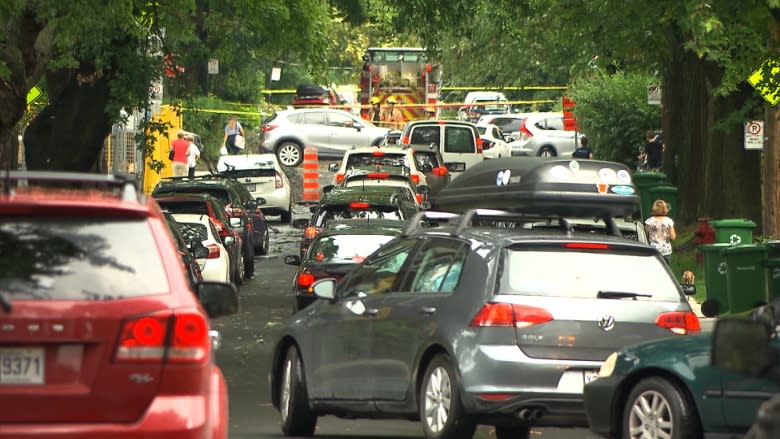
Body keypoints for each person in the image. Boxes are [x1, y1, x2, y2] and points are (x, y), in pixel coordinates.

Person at [645, 199, 676, 264]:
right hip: (666, 251)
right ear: (665, 209)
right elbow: (673, 237)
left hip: (653, 250)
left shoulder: (649, 221)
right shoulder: (669, 221)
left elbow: (645, 234)